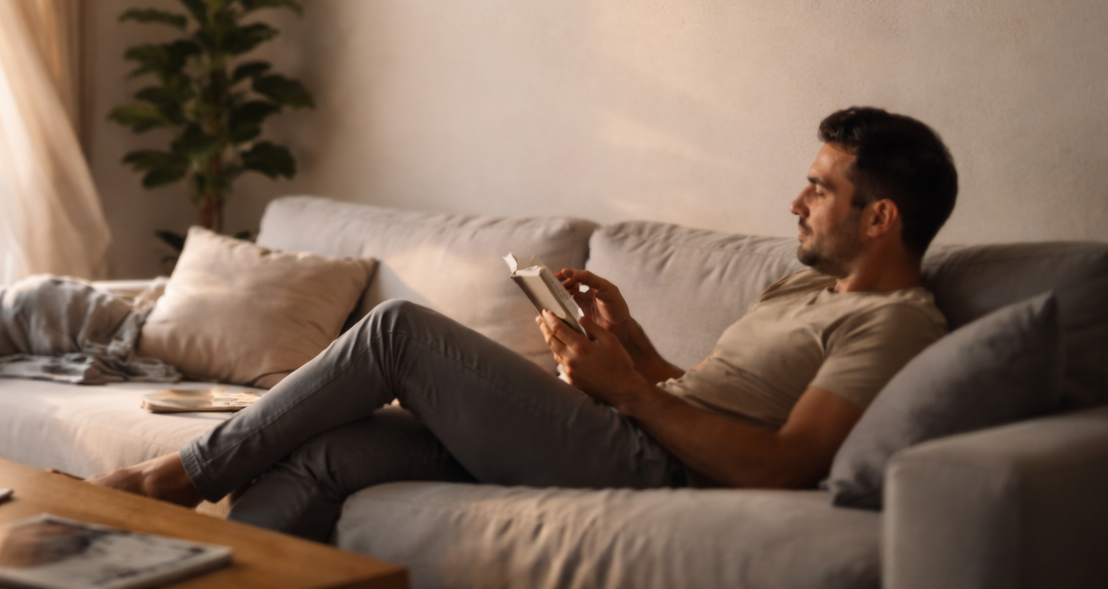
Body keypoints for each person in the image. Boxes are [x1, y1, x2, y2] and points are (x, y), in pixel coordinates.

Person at [92, 106, 958, 541]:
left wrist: (631, 395)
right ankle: (182, 566)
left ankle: (177, 480)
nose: (797, 204)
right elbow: (709, 396)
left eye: (821, 188)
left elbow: (785, 465)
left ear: (880, 218)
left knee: (399, 334)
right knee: (336, 453)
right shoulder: (801, 290)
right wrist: (634, 351)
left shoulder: (894, 324)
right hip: (633, 429)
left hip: (660, 471)